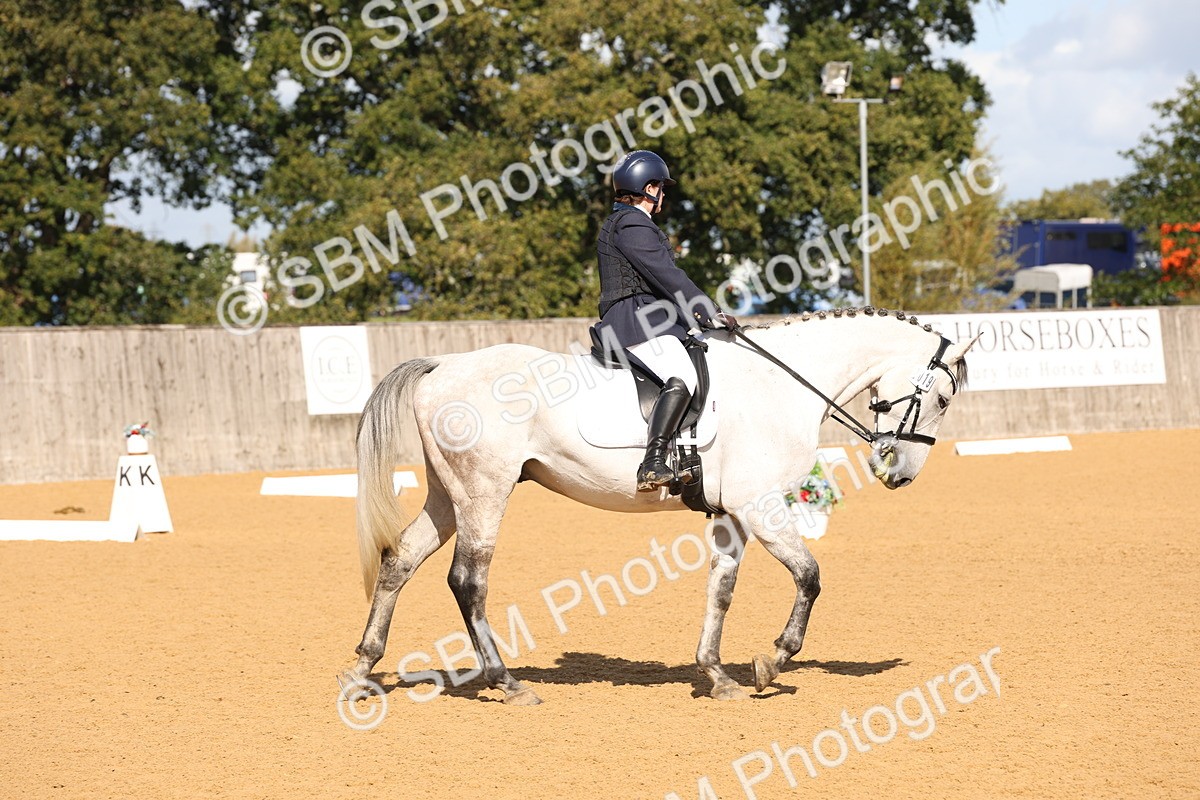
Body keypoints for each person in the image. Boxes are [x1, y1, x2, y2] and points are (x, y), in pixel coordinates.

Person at [594, 150, 737, 491]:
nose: (664, 195)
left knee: (700, 361)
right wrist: (708, 311)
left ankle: (687, 455)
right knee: (682, 374)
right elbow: (667, 276)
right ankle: (653, 461)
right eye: (661, 186)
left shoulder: (628, 222)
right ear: (648, 187)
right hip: (633, 320)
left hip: (649, 317)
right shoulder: (632, 223)